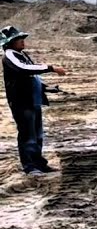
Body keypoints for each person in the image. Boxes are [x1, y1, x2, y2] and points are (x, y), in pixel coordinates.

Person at [2, 25, 69, 176]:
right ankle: (30, 166)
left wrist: (46, 88)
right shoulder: (9, 56)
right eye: (18, 39)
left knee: (37, 134)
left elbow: (31, 77)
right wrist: (51, 68)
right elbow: (25, 69)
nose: (22, 42)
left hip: (32, 99)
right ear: (9, 43)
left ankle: (39, 163)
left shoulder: (21, 55)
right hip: (21, 101)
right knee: (27, 134)